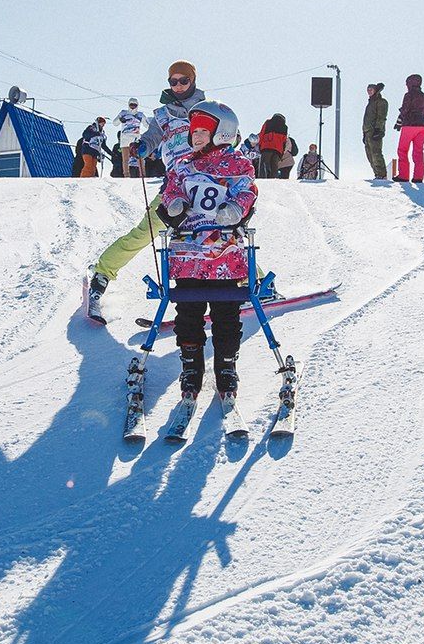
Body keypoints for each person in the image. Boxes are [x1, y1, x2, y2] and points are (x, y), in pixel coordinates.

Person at [85, 60, 206, 322]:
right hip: (175, 185)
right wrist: (144, 146)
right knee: (146, 232)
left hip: (205, 183)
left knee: (221, 233)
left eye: (183, 81)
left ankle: (255, 281)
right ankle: (102, 273)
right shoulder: (163, 114)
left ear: (193, 81)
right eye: (173, 81)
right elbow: (152, 136)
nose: (178, 86)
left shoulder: (205, 109)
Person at [155, 101, 257, 406]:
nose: (196, 136)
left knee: (226, 313)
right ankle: (191, 365)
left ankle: (226, 364)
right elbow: (170, 190)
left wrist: (237, 208)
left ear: (222, 133)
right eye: (194, 130)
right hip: (188, 256)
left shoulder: (238, 164)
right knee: (189, 313)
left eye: (203, 130)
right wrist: (173, 204)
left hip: (223, 254)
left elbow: (247, 191)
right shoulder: (183, 166)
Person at [393, 74, 424, 182]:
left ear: (410, 83)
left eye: (407, 83)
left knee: (402, 150)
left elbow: (404, 110)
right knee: (418, 151)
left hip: (409, 124)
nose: (406, 85)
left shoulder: (408, 95)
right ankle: (418, 177)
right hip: (423, 126)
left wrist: (398, 122)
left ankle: (404, 176)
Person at [362, 83, 389, 179]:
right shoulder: (370, 103)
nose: (369, 91)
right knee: (369, 154)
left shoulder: (381, 102)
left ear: (375, 90)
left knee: (376, 153)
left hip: (375, 130)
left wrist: (378, 129)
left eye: (371, 89)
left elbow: (381, 117)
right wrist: (364, 133)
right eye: (368, 89)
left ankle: (382, 174)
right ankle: (377, 174)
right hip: (368, 131)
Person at [114, 98, 146, 178]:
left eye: (134, 105)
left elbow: (147, 124)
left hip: (136, 139)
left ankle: (142, 175)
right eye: (131, 104)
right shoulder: (123, 113)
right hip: (125, 139)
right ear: (128, 104)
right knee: (125, 159)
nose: (133, 107)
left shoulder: (140, 115)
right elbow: (115, 123)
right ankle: (126, 175)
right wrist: (120, 119)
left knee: (140, 158)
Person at [255, 113, 288, 178]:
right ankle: (273, 180)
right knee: (274, 167)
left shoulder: (268, 122)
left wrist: (259, 145)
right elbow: (284, 141)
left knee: (264, 165)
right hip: (278, 149)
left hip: (266, 146)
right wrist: (282, 152)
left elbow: (262, 133)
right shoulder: (285, 127)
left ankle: (263, 179)